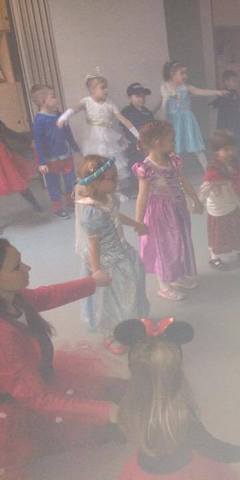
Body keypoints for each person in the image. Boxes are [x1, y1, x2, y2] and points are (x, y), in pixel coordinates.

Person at [0, 238, 119, 478]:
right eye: (16, 266)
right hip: (14, 400)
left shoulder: (14, 298)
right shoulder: (4, 337)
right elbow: (39, 398)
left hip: (30, 378)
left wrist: (91, 282)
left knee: (108, 396)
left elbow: (46, 296)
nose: (27, 268)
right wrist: (106, 411)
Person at [115, 318, 240, 480]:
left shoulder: (127, 407)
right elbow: (212, 448)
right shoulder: (183, 416)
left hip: (142, 471)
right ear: (176, 375)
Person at [75, 155, 149, 354]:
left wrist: (136, 224)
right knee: (112, 300)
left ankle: (130, 323)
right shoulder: (91, 211)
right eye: (112, 178)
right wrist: (96, 270)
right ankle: (112, 334)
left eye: (116, 177)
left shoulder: (109, 197)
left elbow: (115, 215)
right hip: (106, 260)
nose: (117, 181)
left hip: (121, 251)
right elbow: (93, 242)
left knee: (131, 290)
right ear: (96, 183)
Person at [133, 121, 203, 302]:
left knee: (179, 242)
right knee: (164, 247)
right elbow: (142, 196)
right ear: (158, 142)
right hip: (159, 214)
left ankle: (177, 276)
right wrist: (138, 222)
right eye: (171, 139)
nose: (174, 142)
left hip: (177, 208)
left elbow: (183, 181)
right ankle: (164, 285)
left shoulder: (172, 160)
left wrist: (195, 199)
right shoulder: (146, 168)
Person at [57, 73, 139, 200]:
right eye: (102, 87)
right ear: (92, 90)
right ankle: (95, 190)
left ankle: (113, 190)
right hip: (93, 138)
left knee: (111, 163)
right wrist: (64, 117)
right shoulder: (86, 101)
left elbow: (124, 120)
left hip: (108, 137)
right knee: (94, 163)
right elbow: (74, 109)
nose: (106, 90)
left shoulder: (110, 104)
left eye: (106, 87)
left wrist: (138, 135)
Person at [199, 130, 240, 271]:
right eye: (226, 150)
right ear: (216, 151)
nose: (230, 152)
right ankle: (214, 257)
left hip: (231, 201)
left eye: (231, 149)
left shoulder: (234, 163)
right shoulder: (213, 169)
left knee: (235, 227)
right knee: (218, 233)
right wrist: (198, 202)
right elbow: (206, 187)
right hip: (218, 206)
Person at [160, 61, 229, 171]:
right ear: (172, 73)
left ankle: (208, 170)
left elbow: (199, 91)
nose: (185, 76)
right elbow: (163, 105)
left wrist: (217, 92)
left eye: (185, 73)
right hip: (173, 121)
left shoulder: (185, 87)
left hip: (187, 120)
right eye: (182, 73)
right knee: (175, 148)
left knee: (195, 146)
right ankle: (175, 173)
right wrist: (163, 117)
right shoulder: (165, 87)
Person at [30, 84, 80, 218]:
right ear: (42, 101)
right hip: (50, 159)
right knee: (54, 183)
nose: (56, 99)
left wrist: (75, 147)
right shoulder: (39, 120)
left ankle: (70, 201)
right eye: (52, 96)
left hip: (65, 155)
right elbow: (38, 142)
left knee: (70, 179)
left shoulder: (59, 115)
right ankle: (57, 207)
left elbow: (68, 132)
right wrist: (42, 162)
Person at [0, 119, 43, 214]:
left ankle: (36, 205)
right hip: (4, 155)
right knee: (17, 181)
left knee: (17, 181)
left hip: (4, 156)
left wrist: (26, 139)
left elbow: (8, 133)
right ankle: (36, 206)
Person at [121, 82, 155, 194]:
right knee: (136, 165)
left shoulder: (147, 112)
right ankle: (136, 188)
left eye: (143, 96)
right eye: (137, 96)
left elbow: (153, 126)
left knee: (149, 164)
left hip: (148, 144)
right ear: (130, 97)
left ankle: (150, 186)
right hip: (133, 145)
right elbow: (123, 128)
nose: (141, 99)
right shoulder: (126, 112)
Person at [210, 70, 240, 151]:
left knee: (237, 136)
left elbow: (238, 101)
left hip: (234, 120)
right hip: (226, 121)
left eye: (237, 81)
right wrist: (214, 104)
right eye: (234, 81)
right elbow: (219, 102)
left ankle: (238, 152)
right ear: (226, 82)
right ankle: (227, 153)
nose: (236, 83)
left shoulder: (235, 92)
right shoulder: (223, 93)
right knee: (227, 138)